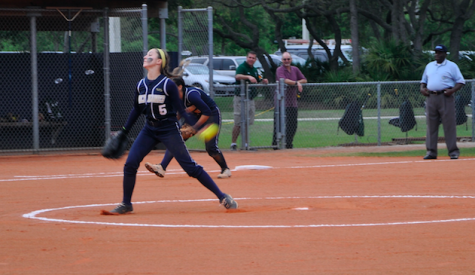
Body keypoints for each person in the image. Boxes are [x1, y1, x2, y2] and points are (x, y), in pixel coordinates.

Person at [102, 48, 237, 215]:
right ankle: (126, 203)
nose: (146, 56)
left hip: (168, 130)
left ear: (159, 62)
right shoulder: (141, 85)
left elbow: (181, 110)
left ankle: (222, 196)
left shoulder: (168, 85)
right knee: (130, 164)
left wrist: (196, 127)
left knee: (190, 168)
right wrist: (123, 131)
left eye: (150, 55)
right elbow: (136, 110)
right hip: (149, 129)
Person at [144, 77, 232, 179]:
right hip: (195, 116)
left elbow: (207, 111)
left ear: (180, 87)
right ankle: (162, 167)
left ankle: (225, 169)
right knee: (177, 139)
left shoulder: (191, 95)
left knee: (211, 147)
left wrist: (195, 127)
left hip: (211, 115)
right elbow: (178, 113)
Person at [420, 44, 465, 160]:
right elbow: (423, 81)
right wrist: (422, 88)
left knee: (449, 125)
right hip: (431, 97)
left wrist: (452, 90)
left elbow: (460, 81)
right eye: (436, 52)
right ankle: (431, 152)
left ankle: (453, 152)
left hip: (445, 97)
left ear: (445, 54)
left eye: (440, 52)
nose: (437, 54)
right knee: (431, 126)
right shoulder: (430, 66)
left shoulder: (451, 66)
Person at [230, 51, 268, 150]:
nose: (251, 59)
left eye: (253, 58)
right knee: (238, 122)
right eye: (250, 57)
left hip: (250, 98)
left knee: (247, 122)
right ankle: (233, 143)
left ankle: (246, 144)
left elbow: (258, 82)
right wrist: (248, 77)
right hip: (240, 98)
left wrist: (263, 81)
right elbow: (237, 76)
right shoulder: (242, 67)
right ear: (247, 58)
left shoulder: (255, 70)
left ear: (255, 60)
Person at [272, 52, 307, 149]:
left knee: (293, 125)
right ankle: (275, 145)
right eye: (284, 59)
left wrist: (297, 83)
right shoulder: (280, 70)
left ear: (291, 60)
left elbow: (304, 79)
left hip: (292, 102)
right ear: (282, 60)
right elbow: (284, 80)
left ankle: (288, 143)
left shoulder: (295, 69)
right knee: (278, 125)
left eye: (288, 59)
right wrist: (296, 83)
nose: (286, 61)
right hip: (281, 102)